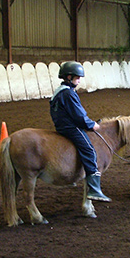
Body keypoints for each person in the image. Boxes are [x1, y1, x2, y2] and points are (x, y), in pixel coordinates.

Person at [49, 61, 111, 202]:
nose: (79, 80)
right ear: (69, 77)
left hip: (62, 126)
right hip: (71, 128)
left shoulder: (60, 91)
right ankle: (94, 189)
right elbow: (79, 116)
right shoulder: (69, 94)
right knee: (89, 150)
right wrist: (92, 125)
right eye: (77, 77)